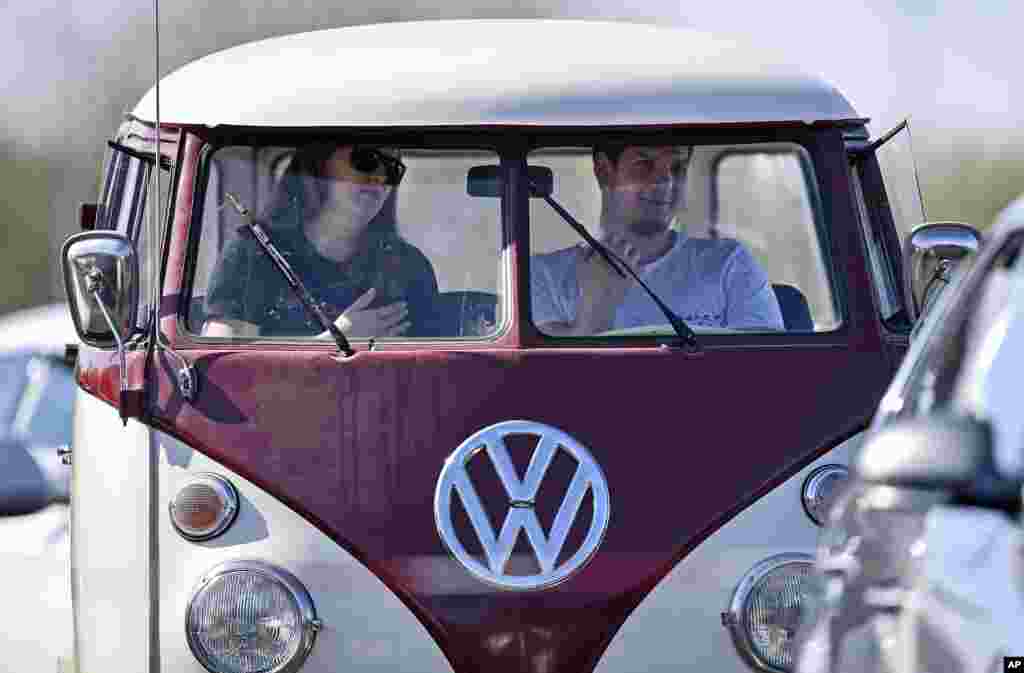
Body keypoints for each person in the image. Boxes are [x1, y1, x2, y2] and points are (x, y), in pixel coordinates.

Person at [530, 143, 784, 335]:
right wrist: (596, 307)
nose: (666, 180)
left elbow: (766, 375)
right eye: (644, 164)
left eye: (677, 167)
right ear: (604, 170)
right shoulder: (543, 276)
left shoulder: (729, 264)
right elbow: (553, 389)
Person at [202, 144, 439, 339]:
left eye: (392, 169)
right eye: (366, 159)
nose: (379, 177)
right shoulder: (252, 252)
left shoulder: (410, 267)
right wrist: (336, 340)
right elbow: (227, 366)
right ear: (320, 165)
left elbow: (434, 372)